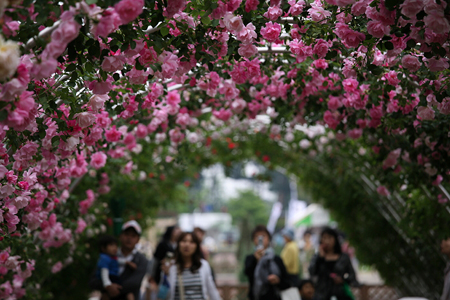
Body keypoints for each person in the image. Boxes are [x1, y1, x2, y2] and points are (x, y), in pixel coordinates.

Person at [89, 220, 149, 300]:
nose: (129, 238)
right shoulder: (108, 255)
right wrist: (107, 287)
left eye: (133, 236)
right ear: (120, 236)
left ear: (138, 239)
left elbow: (135, 283)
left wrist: (113, 288)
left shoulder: (141, 260)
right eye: (126, 234)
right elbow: (94, 280)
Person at [160, 232, 221, 300]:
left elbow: (212, 291)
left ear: (197, 246)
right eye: (184, 241)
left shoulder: (203, 265)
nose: (187, 244)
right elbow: (162, 296)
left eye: (192, 242)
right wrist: (165, 276)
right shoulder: (171, 267)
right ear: (178, 244)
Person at [308, 227, 358, 300]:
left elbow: (352, 275)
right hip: (321, 294)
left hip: (340, 294)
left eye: (329, 238)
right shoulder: (317, 257)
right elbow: (312, 272)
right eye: (324, 238)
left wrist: (342, 279)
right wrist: (320, 258)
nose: (327, 241)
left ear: (335, 239)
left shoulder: (343, 257)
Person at [244, 225, 291, 300]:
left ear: (269, 239)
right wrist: (256, 260)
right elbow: (248, 273)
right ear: (253, 240)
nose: (260, 239)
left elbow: (287, 281)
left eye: (263, 236)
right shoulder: (250, 259)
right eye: (257, 237)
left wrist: (277, 280)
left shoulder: (276, 259)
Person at [95, 235, 136, 300]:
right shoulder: (104, 259)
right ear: (103, 248)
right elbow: (104, 271)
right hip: (110, 279)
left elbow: (118, 260)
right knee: (107, 295)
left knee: (129, 293)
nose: (115, 248)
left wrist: (128, 263)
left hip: (114, 279)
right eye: (111, 245)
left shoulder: (112, 257)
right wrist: (107, 285)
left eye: (116, 245)